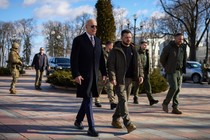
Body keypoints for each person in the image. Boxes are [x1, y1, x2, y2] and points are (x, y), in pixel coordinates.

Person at [70, 19, 107, 137]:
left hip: (95, 77)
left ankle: (78, 121)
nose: (94, 28)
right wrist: (76, 74)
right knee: (88, 100)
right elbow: (73, 59)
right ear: (86, 27)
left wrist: (104, 73)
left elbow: (101, 59)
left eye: (96, 26)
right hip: (83, 77)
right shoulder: (78, 40)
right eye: (92, 26)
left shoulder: (98, 40)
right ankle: (91, 128)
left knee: (87, 99)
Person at [107, 29, 144, 133]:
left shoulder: (133, 49)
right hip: (119, 80)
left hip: (129, 79)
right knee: (123, 101)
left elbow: (139, 64)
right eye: (126, 37)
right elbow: (111, 65)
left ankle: (115, 119)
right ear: (121, 38)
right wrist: (112, 78)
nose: (128, 39)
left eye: (130, 37)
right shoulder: (116, 50)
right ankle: (128, 123)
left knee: (124, 101)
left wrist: (141, 75)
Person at [160, 33, 187, 114]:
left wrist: (183, 69)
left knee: (178, 89)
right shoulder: (168, 47)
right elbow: (162, 59)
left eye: (182, 39)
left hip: (180, 71)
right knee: (174, 87)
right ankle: (165, 103)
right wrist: (167, 67)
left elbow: (184, 59)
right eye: (179, 39)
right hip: (171, 71)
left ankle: (175, 108)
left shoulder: (183, 47)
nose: (181, 40)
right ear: (175, 38)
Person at [132, 39, 159, 105]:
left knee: (148, 86)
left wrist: (150, 69)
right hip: (139, 71)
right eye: (144, 45)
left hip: (146, 71)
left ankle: (151, 100)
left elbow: (149, 62)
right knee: (137, 85)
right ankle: (135, 97)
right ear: (141, 45)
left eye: (146, 45)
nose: (145, 46)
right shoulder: (137, 53)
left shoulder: (147, 52)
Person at [95, 41, 117, 110]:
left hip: (109, 73)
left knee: (110, 88)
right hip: (101, 73)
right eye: (111, 45)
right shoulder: (101, 53)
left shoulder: (112, 54)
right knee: (99, 87)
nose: (112, 47)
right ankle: (97, 100)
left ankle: (112, 102)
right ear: (108, 45)